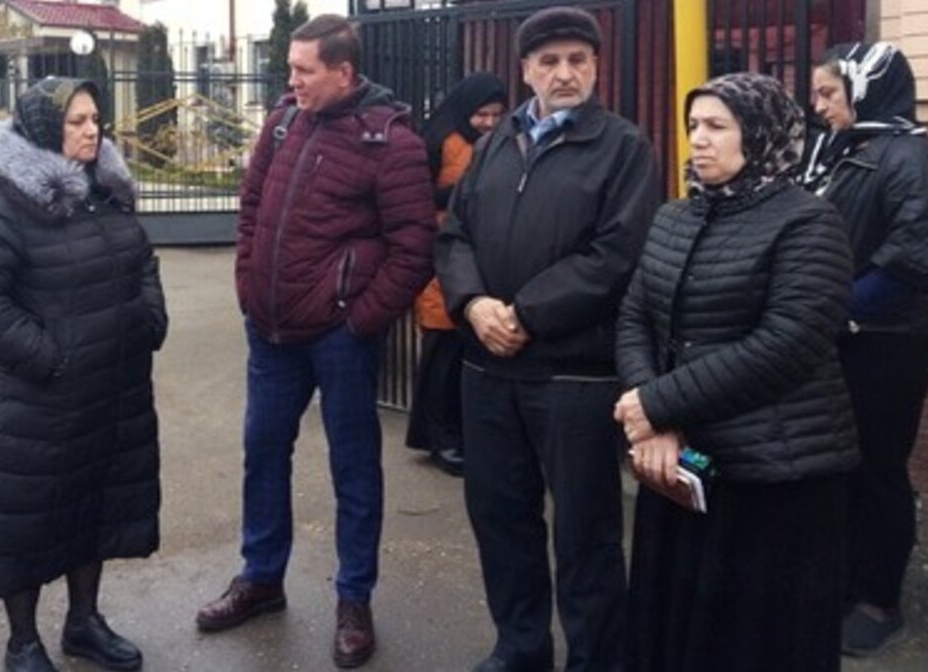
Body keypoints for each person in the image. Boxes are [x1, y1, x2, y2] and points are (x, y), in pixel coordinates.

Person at [193, 14, 435, 669]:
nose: (291, 80)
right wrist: (249, 283)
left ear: (344, 72)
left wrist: (359, 321)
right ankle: (261, 578)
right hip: (270, 332)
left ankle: (353, 600)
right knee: (261, 452)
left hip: (339, 339)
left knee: (354, 470)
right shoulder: (283, 121)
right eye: (290, 68)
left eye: (304, 70)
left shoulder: (391, 141)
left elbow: (415, 248)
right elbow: (251, 208)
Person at [435, 7, 659, 671]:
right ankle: (520, 646)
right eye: (550, 61)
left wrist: (525, 314)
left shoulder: (625, 148)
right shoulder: (496, 142)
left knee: (585, 534)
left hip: (573, 377)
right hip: (488, 371)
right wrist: (474, 304)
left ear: (594, 66)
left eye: (578, 60)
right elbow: (454, 235)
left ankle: (596, 659)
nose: (565, 73)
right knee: (501, 521)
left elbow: (616, 255)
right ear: (526, 70)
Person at [616, 72, 859, 672]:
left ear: (761, 133)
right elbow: (634, 317)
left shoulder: (808, 222)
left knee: (754, 640)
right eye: (693, 125)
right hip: (682, 466)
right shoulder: (676, 216)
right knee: (672, 623)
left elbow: (789, 343)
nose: (698, 140)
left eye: (717, 126)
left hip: (774, 479)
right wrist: (655, 423)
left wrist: (659, 404)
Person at [0, 77, 168, 672]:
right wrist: (51, 358)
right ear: (47, 127)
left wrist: (150, 317)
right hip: (41, 404)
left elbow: (141, 259)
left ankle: (83, 622)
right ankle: (23, 640)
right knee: (26, 517)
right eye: (76, 121)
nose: (92, 129)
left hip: (113, 391)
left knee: (93, 507)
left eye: (95, 118)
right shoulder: (4, 203)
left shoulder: (106, 189)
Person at [803, 42, 928, 657]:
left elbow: (916, 261)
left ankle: (879, 600)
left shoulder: (912, 154)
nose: (819, 108)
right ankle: (843, 581)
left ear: (866, 90)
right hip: (838, 334)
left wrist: (833, 308)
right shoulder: (847, 150)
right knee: (839, 462)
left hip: (887, 342)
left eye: (828, 94)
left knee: (877, 468)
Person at [406, 72, 508, 477]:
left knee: (469, 362)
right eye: (480, 113)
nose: (486, 121)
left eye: (495, 113)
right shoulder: (439, 141)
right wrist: (462, 194)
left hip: (480, 264)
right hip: (441, 265)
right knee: (441, 362)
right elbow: (416, 195)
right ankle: (440, 440)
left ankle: (460, 438)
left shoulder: (503, 141)